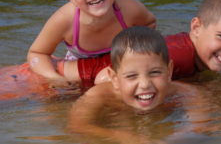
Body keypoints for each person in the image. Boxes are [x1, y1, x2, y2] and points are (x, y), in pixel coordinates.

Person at [58, 0, 221, 89]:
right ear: (196, 27)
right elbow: (103, 79)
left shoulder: (188, 54)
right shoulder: (180, 57)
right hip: (60, 82)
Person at [27, 0, 156, 85]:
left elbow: (150, 23)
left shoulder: (129, 9)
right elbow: (37, 53)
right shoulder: (65, 20)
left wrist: (131, 51)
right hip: (78, 69)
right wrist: (55, 79)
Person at [68, 26, 209, 143]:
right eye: (131, 76)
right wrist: (124, 137)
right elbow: (78, 125)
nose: (145, 84)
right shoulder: (99, 96)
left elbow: (199, 127)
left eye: (154, 72)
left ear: (169, 71)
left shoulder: (187, 93)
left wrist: (168, 140)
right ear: (115, 79)